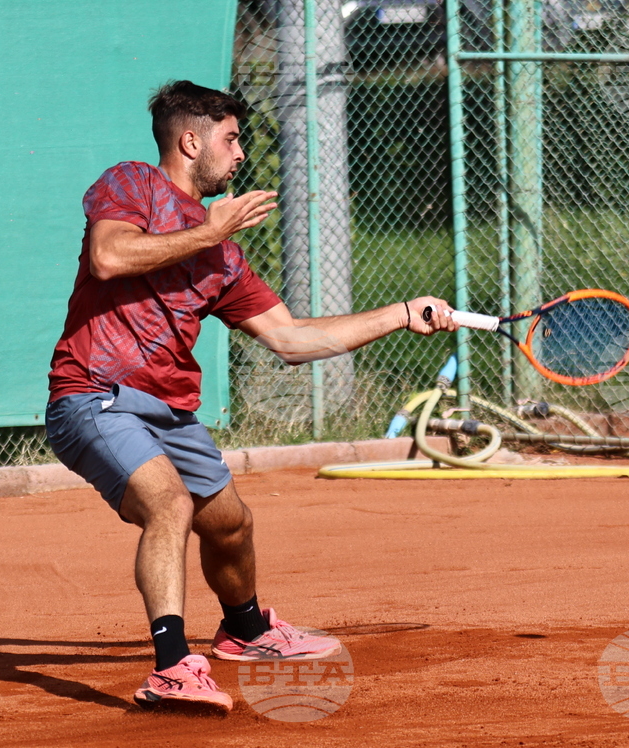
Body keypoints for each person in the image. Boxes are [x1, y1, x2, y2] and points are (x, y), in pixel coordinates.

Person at [46, 80, 459, 713]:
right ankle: (171, 667)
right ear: (190, 140)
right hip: (94, 393)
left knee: (231, 524)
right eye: (231, 139)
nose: (241, 155)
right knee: (170, 504)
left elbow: (291, 338)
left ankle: (245, 629)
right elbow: (108, 257)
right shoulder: (133, 184)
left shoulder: (226, 258)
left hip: (169, 410)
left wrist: (402, 313)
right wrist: (207, 234)